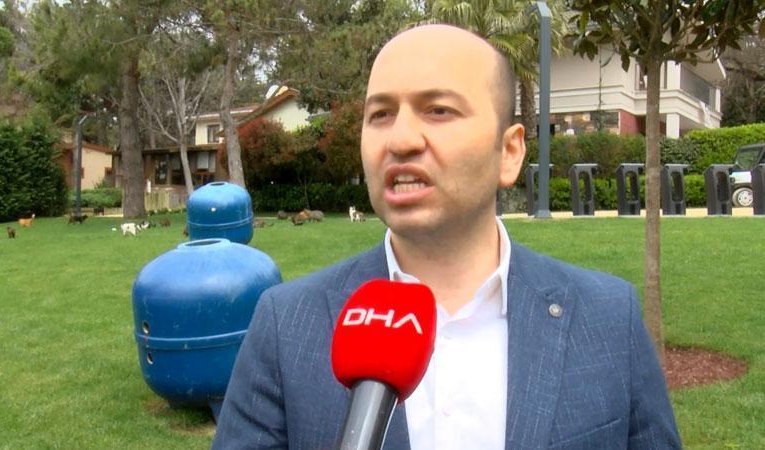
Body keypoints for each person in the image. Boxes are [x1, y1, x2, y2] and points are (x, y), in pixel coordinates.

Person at [212, 24, 681, 449]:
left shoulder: (607, 318)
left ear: (509, 152)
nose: (400, 140)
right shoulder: (286, 326)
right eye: (381, 114)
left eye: (438, 110)